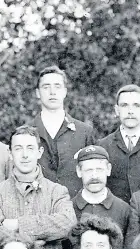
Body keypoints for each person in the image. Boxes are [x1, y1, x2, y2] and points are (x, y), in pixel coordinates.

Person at [33, 65, 97, 197]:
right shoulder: (27, 133)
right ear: (38, 93)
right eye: (46, 87)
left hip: (76, 210)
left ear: (65, 92)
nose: (52, 92)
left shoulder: (84, 132)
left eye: (57, 86)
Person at [67, 145, 130, 249]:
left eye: (99, 169)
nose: (94, 176)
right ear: (79, 171)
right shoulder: (68, 208)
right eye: (89, 170)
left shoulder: (124, 209)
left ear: (108, 169)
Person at [97, 84, 140, 203]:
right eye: (124, 105)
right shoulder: (103, 146)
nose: (130, 111)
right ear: (117, 110)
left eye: (136, 106)